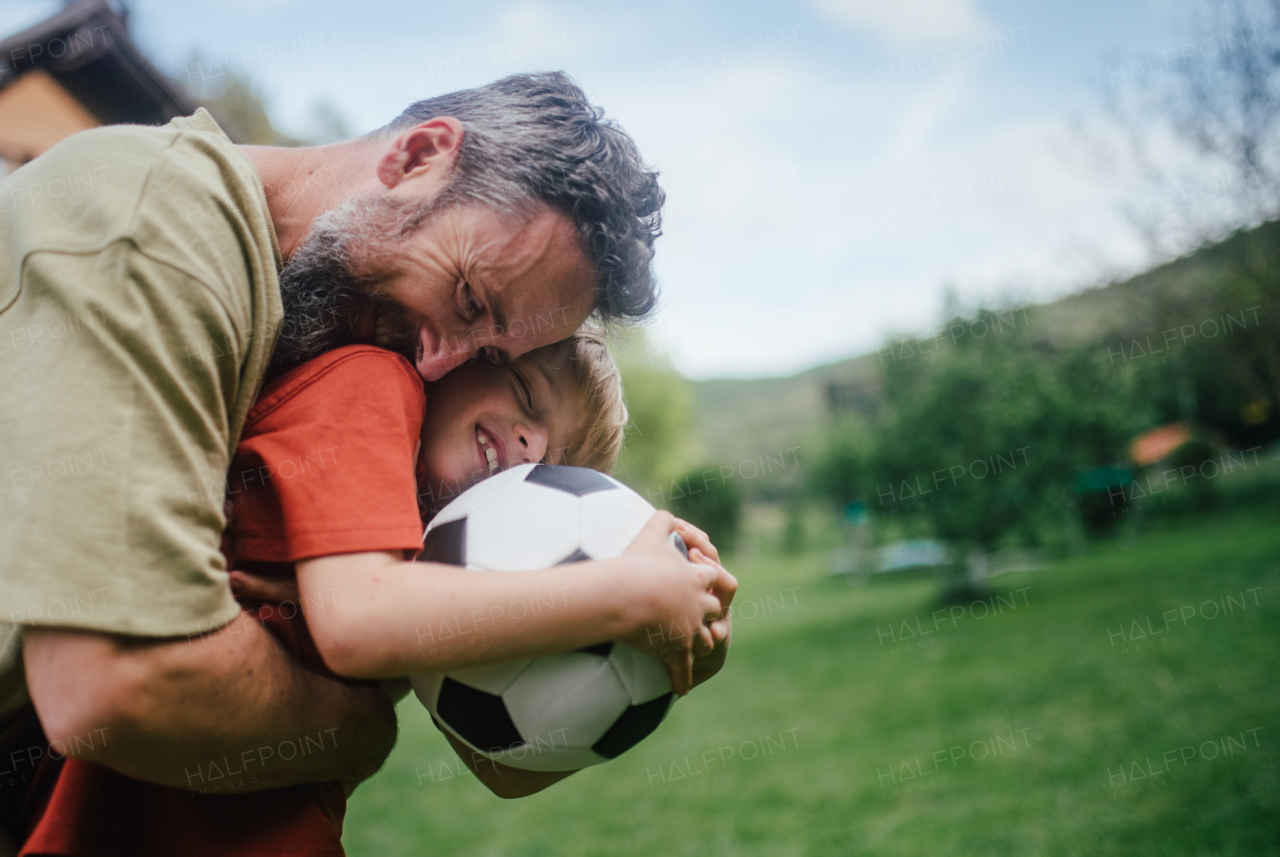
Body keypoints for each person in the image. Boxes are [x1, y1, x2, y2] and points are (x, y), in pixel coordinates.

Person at [0, 71, 693, 840]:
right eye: (467, 299)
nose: (438, 363)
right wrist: (360, 732)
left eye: (486, 351)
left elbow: (499, 756)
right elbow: (115, 685)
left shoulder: (351, 376)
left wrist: (663, 650)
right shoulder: (153, 228)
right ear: (419, 156)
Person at [16, 328, 734, 856]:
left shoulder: (435, 563)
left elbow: (502, 768)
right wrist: (628, 593)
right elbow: (357, 622)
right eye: (524, 395)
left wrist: (667, 662)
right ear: (461, 354)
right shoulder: (370, 386)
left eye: (554, 454)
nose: (530, 446)